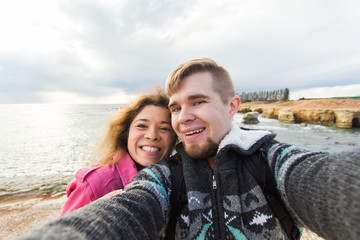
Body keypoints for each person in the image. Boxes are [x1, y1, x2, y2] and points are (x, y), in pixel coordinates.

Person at [19, 59, 360, 240]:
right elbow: (128, 211)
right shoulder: (164, 178)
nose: (184, 117)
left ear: (232, 106)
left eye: (198, 101)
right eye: (177, 107)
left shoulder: (272, 160)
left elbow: (325, 181)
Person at [61, 89, 177, 215]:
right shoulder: (94, 184)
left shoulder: (174, 181)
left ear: (174, 138)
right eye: (142, 126)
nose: (152, 135)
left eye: (164, 128)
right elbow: (60, 233)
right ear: (126, 133)